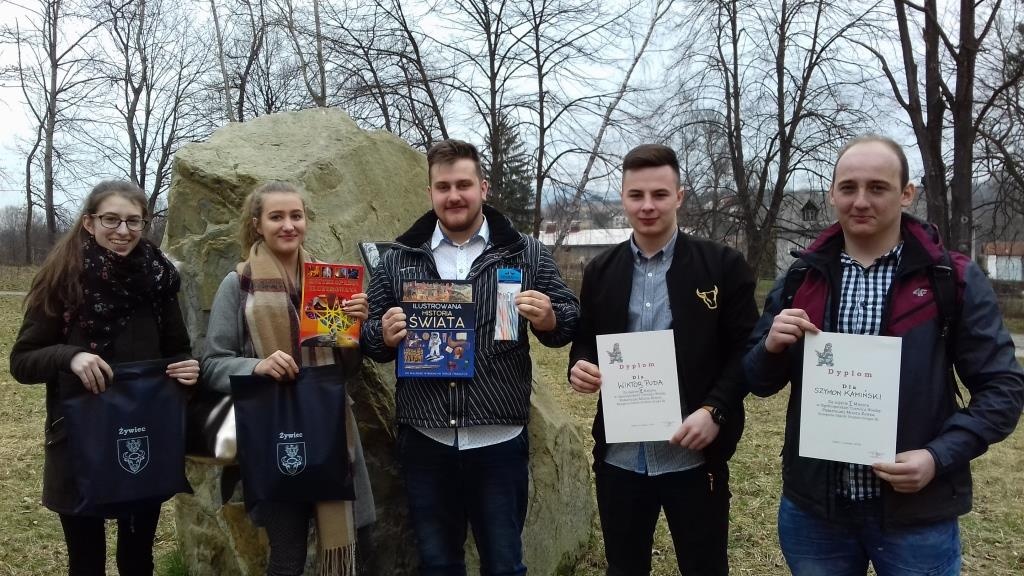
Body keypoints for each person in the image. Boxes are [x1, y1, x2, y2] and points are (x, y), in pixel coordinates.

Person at [743, 135, 1024, 576]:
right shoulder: (801, 277)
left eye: (877, 187)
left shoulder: (950, 278)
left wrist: (937, 456)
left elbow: (1003, 389)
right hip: (816, 513)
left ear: (906, 194)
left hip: (917, 515)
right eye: (848, 187)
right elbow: (758, 382)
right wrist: (770, 347)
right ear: (832, 193)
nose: (860, 201)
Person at [361, 138, 580, 576]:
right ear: (430, 192)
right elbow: (368, 341)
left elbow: (570, 318)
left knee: (504, 566)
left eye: (463, 184)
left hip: (499, 441)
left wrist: (551, 318)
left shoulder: (525, 252)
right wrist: (382, 334)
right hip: (426, 440)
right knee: (439, 565)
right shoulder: (399, 259)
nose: (454, 195)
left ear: (483, 187)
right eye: (443, 187)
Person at [567, 144, 758, 576]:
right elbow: (586, 340)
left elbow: (746, 349)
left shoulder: (722, 266)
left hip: (693, 454)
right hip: (620, 457)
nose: (647, 206)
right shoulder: (601, 271)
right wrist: (579, 365)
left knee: (705, 568)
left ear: (679, 197)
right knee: (624, 568)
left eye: (659, 194)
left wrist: (715, 410)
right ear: (623, 198)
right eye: (636, 195)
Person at [10, 180, 200, 576]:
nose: (123, 231)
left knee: (138, 560)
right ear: (89, 222)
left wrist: (186, 368)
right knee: (86, 563)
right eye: (111, 219)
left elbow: (178, 350)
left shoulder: (159, 281)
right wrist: (70, 356)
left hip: (140, 437)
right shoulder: (62, 279)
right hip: (78, 441)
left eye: (134, 221)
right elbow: (22, 362)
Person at [201, 181, 376, 576]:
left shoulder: (330, 282)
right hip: (274, 433)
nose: (288, 225)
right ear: (257, 224)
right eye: (276, 216)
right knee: (287, 555)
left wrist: (354, 333)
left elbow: (348, 369)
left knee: (355, 547)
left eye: (296, 216)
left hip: (331, 429)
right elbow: (212, 364)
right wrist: (256, 367)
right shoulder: (239, 284)